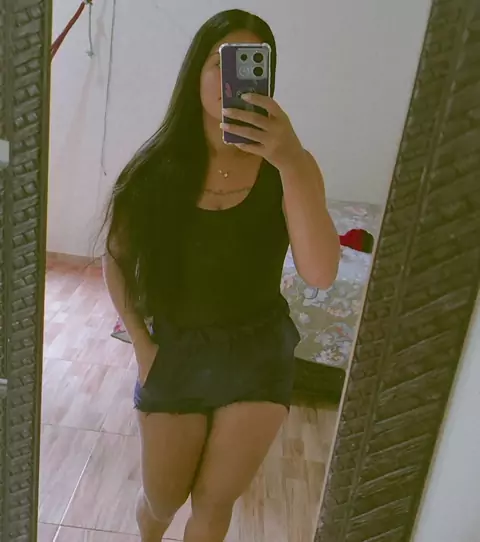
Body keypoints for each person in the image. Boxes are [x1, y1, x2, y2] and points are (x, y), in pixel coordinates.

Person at [101, 8, 340, 542]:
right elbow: (115, 259)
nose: (234, 77)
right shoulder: (155, 169)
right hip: (175, 350)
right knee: (162, 499)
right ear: (195, 73)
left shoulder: (292, 166)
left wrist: (292, 161)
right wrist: (141, 344)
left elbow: (321, 273)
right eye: (220, 61)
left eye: (253, 63)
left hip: (258, 353)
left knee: (214, 501)